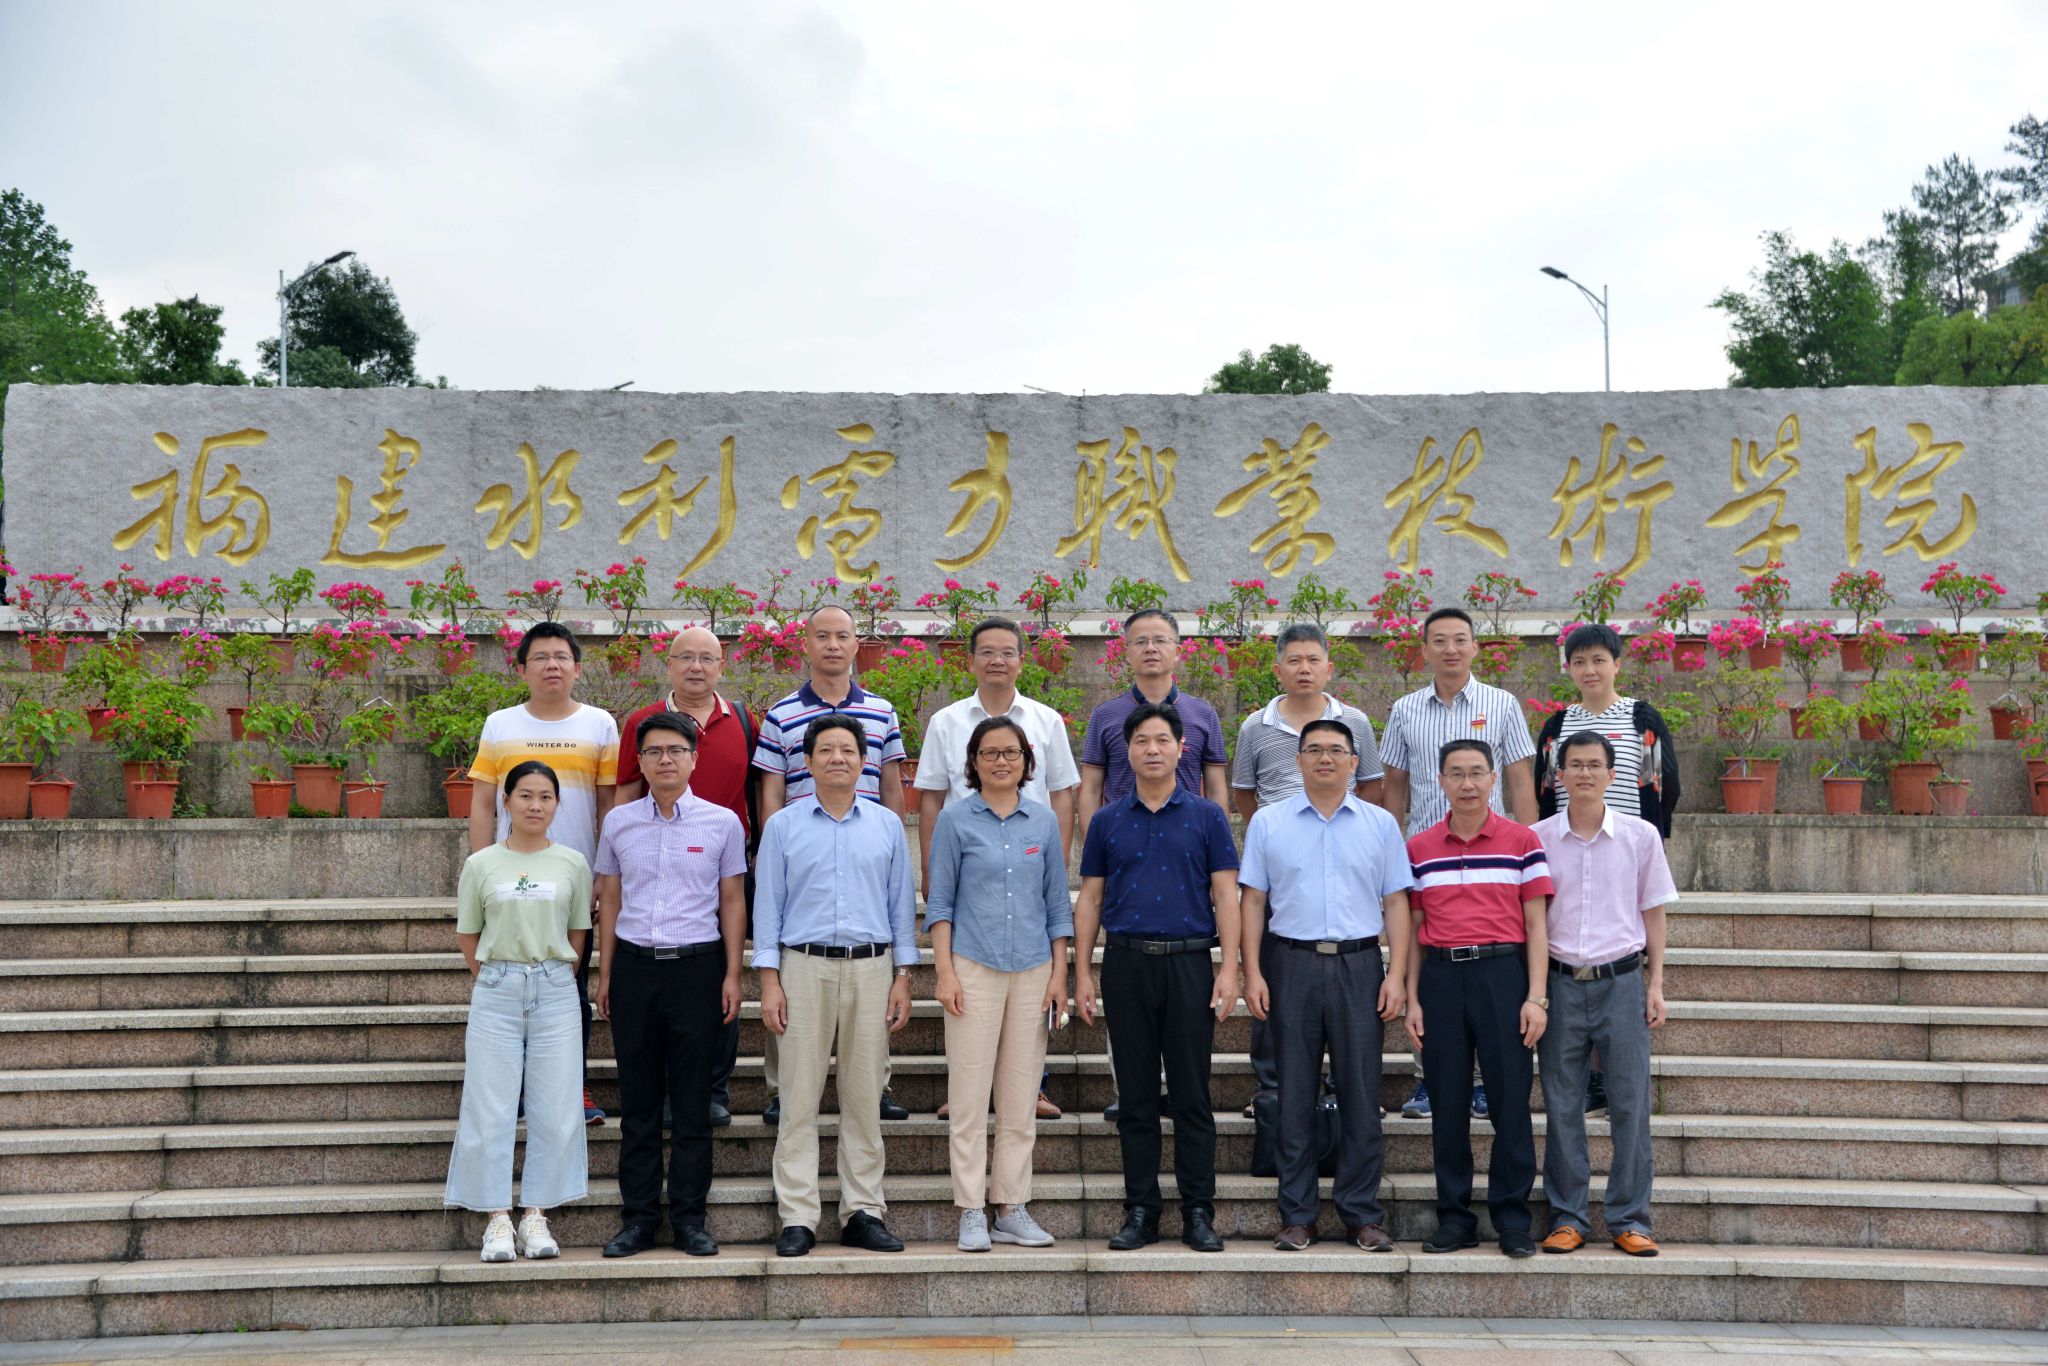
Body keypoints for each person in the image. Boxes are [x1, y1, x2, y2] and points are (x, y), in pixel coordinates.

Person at [1072, 702, 1241, 1254]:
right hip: (1126, 965)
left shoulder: (1208, 816)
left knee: (1192, 1094)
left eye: (1162, 740)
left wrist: (1230, 967)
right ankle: (1141, 1209)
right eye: (1141, 740)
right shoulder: (1106, 820)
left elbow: (1226, 895)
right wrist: (1082, 971)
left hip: (1190, 964)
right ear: (1127, 750)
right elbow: (1090, 898)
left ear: (1180, 748)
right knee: (1136, 1096)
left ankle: (1198, 1210)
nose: (1152, 749)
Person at [1240, 719, 1414, 1252]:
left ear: (1354, 762)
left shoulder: (1380, 824)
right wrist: (1252, 972)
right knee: (1293, 1093)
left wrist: (1397, 975)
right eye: (1313, 749)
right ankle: (1297, 1215)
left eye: (1336, 750)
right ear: (1297, 761)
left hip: (1359, 966)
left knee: (1361, 1092)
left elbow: (1396, 902)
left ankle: (1361, 1214)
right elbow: (1252, 901)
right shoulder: (1269, 822)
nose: (1324, 758)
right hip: (1289, 963)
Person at [754, 715, 917, 1258]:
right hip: (803, 967)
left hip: (872, 968)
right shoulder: (783, 826)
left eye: (848, 749)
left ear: (864, 760)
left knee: (864, 1098)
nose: (838, 759)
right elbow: (768, 906)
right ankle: (798, 1216)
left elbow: (901, 904)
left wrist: (903, 975)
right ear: (807, 761)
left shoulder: (887, 825)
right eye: (826, 750)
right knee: (798, 1098)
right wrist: (769, 980)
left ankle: (863, 1211)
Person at [592, 712, 746, 1259]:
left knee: (691, 1103)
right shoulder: (619, 822)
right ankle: (637, 1220)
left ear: (693, 759)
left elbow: (732, 901)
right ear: (640, 761)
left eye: (676, 750)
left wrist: (733, 974)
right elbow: (610, 898)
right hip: (634, 968)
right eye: (654, 751)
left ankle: (689, 1220)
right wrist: (606, 974)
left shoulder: (723, 823)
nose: (665, 760)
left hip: (697, 970)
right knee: (637, 1102)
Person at [753, 603, 911, 1124]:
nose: (833, 645)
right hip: (803, 850)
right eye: (822, 636)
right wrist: (776, 848)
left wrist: (887, 839)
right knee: (793, 971)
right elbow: (771, 790)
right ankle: (784, 1090)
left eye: (843, 635)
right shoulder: (781, 714)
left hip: (864, 848)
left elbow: (891, 784)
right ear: (806, 644)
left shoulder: (882, 711)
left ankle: (875, 1087)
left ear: (855, 643)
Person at [916, 616, 1079, 1122]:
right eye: (986, 652)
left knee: (1027, 989)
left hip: (1029, 863)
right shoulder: (946, 722)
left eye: (1007, 652)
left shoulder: (1046, 721)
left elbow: (1062, 794)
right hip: (969, 864)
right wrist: (931, 868)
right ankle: (968, 1091)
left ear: (1022, 661)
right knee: (969, 994)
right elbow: (931, 799)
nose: (997, 660)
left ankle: (1030, 1091)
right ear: (970, 661)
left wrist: (1057, 860)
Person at [1378, 607, 1536, 1121]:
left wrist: (1532, 847)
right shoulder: (1405, 710)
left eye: (1460, 640)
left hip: (1492, 854)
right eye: (1440, 640)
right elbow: (1394, 786)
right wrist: (1392, 851)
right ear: (1424, 649)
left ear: (1475, 647)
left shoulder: (1501, 704)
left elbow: (1518, 779)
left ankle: (1487, 1083)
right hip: (1426, 858)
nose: (1450, 649)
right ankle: (1429, 1078)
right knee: (1426, 958)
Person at [926, 715, 1072, 1252]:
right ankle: (970, 1209)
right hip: (972, 967)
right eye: (990, 753)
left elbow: (1056, 903)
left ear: (1026, 761)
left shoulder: (1043, 821)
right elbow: (940, 901)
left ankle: (1010, 1207)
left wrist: (1060, 973)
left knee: (1019, 1096)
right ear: (974, 762)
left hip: (1033, 969)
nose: (1001, 761)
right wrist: (944, 971)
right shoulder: (954, 820)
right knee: (968, 1097)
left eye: (1011, 752)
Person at [1077, 609, 1228, 1124]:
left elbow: (1216, 784)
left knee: (1190, 1073)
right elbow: (1091, 787)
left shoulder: (1203, 714)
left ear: (1177, 649)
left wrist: (1214, 844)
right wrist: (1096, 843)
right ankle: (1132, 1093)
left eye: (1160, 640)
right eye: (1139, 640)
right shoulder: (1106, 715)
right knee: (1133, 1046)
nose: (1150, 649)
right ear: (1125, 650)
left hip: (1186, 854)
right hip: (1125, 852)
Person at [1404, 738, 1553, 1259]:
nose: (1467, 784)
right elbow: (1414, 928)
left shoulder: (1522, 841)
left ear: (1493, 779)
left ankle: (1512, 1219)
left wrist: (1536, 997)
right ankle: (1454, 1217)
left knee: (1510, 1099)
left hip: (1502, 974)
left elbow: (1537, 927)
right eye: (1456, 774)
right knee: (1446, 1102)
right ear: (1440, 781)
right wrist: (1412, 998)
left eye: (1476, 773)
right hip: (1441, 978)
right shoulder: (1419, 847)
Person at [1231, 622, 1387, 1117]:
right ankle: (1273, 1087)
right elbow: (1244, 793)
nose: (1304, 669)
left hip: (1342, 857)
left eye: (1313, 660)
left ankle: (1346, 1092)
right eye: (1294, 661)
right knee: (1275, 980)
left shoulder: (1353, 721)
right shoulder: (1255, 727)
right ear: (1278, 669)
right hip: (1284, 865)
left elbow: (1372, 786)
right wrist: (1279, 835)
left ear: (1329, 668)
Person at [468, 622, 619, 1126]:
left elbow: (608, 806)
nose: (552, 665)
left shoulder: (599, 724)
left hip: (573, 885)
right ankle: (514, 1090)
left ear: (577, 667)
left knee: (569, 987)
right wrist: (482, 874)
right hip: (508, 883)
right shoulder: (500, 724)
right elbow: (482, 804)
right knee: (507, 986)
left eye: (561, 656)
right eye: (540, 657)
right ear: (522, 669)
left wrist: (603, 874)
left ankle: (572, 1087)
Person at [1530, 622, 1683, 1116]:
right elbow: (1544, 789)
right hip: (1569, 849)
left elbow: (1664, 783)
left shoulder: (1641, 717)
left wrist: (1648, 838)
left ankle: (1607, 1076)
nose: (1589, 670)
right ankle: (1588, 1080)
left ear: (1617, 664)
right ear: (1569, 669)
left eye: (1599, 660)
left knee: (1618, 959)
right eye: (1579, 662)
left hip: (1625, 850)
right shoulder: (1558, 726)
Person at [1533, 730, 1676, 1258]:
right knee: (1562, 1104)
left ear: (1613, 775)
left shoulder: (1641, 836)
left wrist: (1655, 983)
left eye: (1595, 765)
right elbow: (1531, 920)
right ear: (1559, 775)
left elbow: (1653, 912)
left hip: (1622, 982)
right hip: (1560, 983)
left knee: (1631, 1104)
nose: (1585, 773)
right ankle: (1567, 1217)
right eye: (1575, 764)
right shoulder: (1537, 839)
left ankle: (1630, 1218)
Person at [444, 761, 590, 1262]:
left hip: (555, 989)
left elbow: (578, 932)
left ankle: (535, 1216)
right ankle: (497, 1220)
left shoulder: (572, 863)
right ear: (505, 801)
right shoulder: (481, 864)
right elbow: (469, 934)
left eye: (545, 796)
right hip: (497, 990)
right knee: (490, 1105)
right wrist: (497, 977)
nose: (535, 805)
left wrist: (550, 976)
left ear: (557, 805)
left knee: (556, 1105)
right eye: (525, 795)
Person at [616, 626, 758, 1128]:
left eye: (707, 658)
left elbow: (759, 788)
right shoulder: (642, 722)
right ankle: (660, 1090)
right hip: (657, 863)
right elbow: (624, 792)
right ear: (669, 664)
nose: (696, 667)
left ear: (722, 665)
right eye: (686, 658)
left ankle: (713, 1088)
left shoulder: (742, 719)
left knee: (720, 975)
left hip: (727, 864)